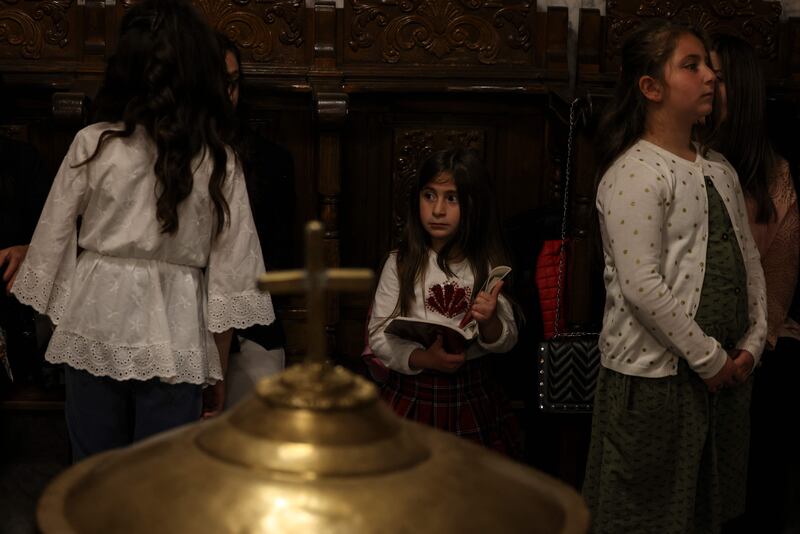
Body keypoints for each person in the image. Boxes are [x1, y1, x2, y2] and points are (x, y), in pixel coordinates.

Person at [10, 0, 275, 461]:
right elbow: (231, 282)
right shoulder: (217, 160)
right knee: (160, 483)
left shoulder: (93, 143)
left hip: (93, 321)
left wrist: (73, 325)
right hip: (175, 334)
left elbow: (50, 251)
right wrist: (215, 369)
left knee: (92, 477)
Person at [581, 20, 767, 533]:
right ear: (651, 87)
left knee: (705, 512)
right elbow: (642, 286)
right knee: (644, 515)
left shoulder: (720, 169)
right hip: (657, 382)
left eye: (709, 65)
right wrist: (709, 359)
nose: (711, 75)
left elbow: (748, 260)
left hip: (723, 380)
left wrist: (754, 339)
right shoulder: (636, 172)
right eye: (693, 65)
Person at [704, 34, 800, 534]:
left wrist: (750, 348)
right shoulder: (685, 160)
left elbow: (781, 274)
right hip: (696, 342)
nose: (705, 85)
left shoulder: (775, 173)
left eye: (717, 77)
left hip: (761, 344)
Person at [367, 148, 521, 457]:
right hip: (413, 395)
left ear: (473, 205)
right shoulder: (401, 263)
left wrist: (490, 322)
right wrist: (425, 359)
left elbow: (507, 341)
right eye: (429, 196)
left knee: (467, 490)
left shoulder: (487, 265)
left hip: (470, 396)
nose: (437, 210)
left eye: (452, 198)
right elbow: (378, 336)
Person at [216, 34, 294, 407]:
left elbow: (282, 261)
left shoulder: (270, 160)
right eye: (217, 84)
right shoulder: (166, 160)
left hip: (252, 328)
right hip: (177, 327)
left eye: (233, 83)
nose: (227, 94)